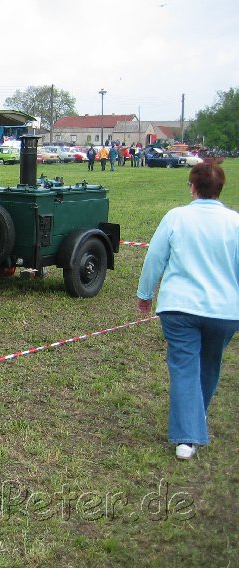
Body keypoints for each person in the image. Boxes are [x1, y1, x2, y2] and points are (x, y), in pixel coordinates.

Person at [136, 162, 239, 460]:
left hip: (180, 306)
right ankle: (193, 425)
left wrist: (145, 295)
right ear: (220, 189)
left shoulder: (176, 217)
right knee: (207, 363)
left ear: (192, 187)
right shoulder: (234, 222)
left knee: (186, 367)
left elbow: (154, 258)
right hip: (222, 312)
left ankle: (188, 433)